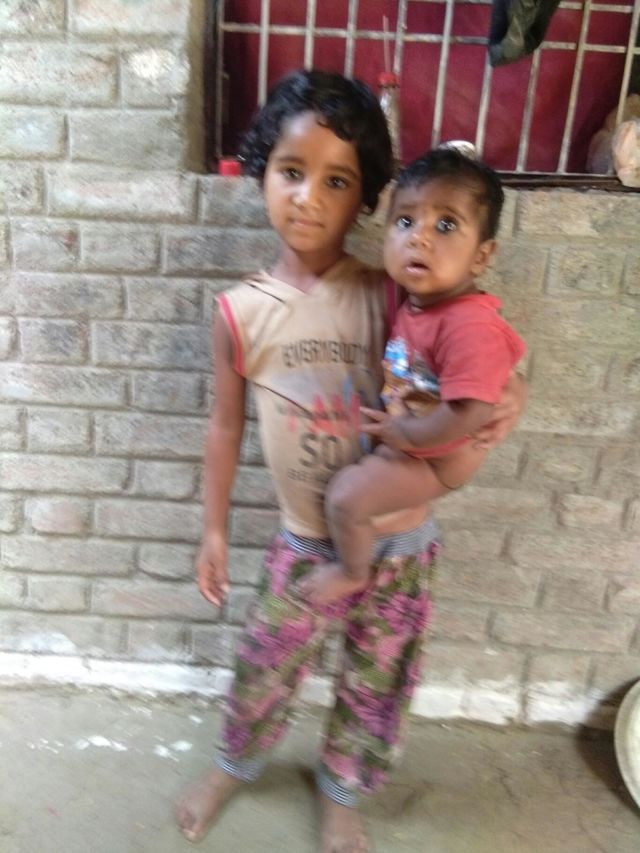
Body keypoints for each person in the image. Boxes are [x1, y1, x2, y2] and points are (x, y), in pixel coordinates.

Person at [175, 70, 525, 853]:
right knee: (266, 662)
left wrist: (517, 391)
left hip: (400, 539)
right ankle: (233, 764)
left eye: (337, 181)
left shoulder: (392, 289)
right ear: (261, 171)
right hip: (306, 540)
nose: (309, 198)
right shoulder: (240, 312)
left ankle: (341, 793)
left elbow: (475, 343)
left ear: (365, 197)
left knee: (377, 682)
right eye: (291, 172)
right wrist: (214, 531)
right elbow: (225, 426)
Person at [300, 147, 526, 607]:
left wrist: (405, 435)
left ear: (482, 256)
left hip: (438, 459)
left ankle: (351, 571)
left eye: (446, 225)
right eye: (405, 221)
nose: (419, 237)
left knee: (346, 499)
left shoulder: (468, 323)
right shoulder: (420, 302)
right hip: (417, 441)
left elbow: (471, 410)